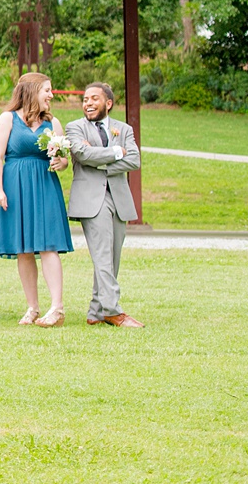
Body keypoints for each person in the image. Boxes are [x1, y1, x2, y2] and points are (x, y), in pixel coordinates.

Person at [0, 71, 74, 326]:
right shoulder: (7, 119)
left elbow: (63, 159)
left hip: (45, 186)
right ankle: (32, 307)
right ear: (31, 91)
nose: (51, 95)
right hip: (15, 187)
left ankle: (57, 308)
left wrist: (62, 162)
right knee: (23, 249)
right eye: (47, 90)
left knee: (48, 245)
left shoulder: (53, 123)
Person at [67, 82, 143, 327]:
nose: (88, 103)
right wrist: (116, 152)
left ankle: (96, 312)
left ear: (108, 103)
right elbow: (82, 155)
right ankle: (112, 310)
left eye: (94, 99)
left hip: (118, 198)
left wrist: (102, 160)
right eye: (85, 99)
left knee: (113, 257)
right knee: (102, 257)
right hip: (91, 200)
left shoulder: (124, 129)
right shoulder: (75, 128)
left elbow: (134, 160)